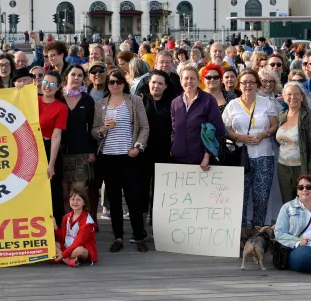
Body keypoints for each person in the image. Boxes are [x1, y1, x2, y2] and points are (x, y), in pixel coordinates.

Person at [92, 69, 149, 252]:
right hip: (108, 156)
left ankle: (139, 236)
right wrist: (102, 129)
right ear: (107, 84)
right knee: (114, 200)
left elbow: (145, 127)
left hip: (128, 156)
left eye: (118, 81)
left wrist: (137, 147)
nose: (115, 84)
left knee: (133, 198)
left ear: (124, 83)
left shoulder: (134, 101)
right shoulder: (100, 104)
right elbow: (94, 131)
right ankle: (118, 237)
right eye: (111, 82)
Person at [223, 69, 279, 243]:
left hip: (264, 154)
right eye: (244, 82)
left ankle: (258, 230)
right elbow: (224, 129)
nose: (248, 85)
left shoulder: (266, 103)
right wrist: (239, 137)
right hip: (241, 155)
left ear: (257, 85)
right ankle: (239, 231)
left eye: (251, 82)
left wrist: (264, 134)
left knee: (261, 196)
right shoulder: (232, 105)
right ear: (239, 85)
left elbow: (275, 126)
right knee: (241, 195)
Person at [60, 65, 97, 219]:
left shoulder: (88, 100)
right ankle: (66, 225)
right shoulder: (58, 97)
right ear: (66, 76)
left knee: (79, 191)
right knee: (64, 192)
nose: (76, 78)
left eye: (80, 75)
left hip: (82, 151)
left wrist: (92, 151)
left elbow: (93, 126)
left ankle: (79, 224)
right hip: (61, 152)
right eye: (73, 74)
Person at [276, 82, 311, 202]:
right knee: (287, 202)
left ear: (302, 97)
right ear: (284, 98)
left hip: (302, 168)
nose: (293, 97)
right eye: (289, 94)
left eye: (296, 94)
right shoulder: (281, 116)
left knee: (304, 203)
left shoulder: (310, 118)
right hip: (283, 167)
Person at [171, 65, 225, 167]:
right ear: (181, 80)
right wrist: (173, 147)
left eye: (192, 78)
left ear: (198, 80)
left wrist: (207, 156)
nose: (189, 81)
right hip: (179, 159)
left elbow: (218, 130)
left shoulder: (209, 101)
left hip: (202, 161)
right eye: (186, 78)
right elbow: (174, 130)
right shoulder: (175, 103)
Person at [139, 70, 173, 220]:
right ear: (149, 83)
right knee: (142, 187)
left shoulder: (172, 102)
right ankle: (142, 220)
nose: (156, 86)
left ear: (165, 86)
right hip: (143, 152)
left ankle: (157, 220)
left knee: (161, 189)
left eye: (160, 83)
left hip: (164, 151)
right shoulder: (140, 100)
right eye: (153, 82)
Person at [39, 71, 69, 224]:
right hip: (31, 149)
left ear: (58, 87)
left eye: (51, 84)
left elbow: (57, 136)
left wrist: (51, 164)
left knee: (53, 191)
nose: (47, 87)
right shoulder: (32, 100)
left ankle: (57, 232)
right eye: (45, 83)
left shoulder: (61, 107)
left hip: (49, 149)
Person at [53, 187, 98, 268]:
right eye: (72, 199)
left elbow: (78, 242)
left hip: (80, 248)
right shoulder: (66, 217)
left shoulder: (87, 221)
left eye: (78, 200)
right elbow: (63, 239)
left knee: (80, 250)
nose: (75, 202)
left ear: (84, 202)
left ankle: (64, 258)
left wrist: (63, 254)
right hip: (68, 247)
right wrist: (55, 227)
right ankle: (69, 260)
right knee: (52, 244)